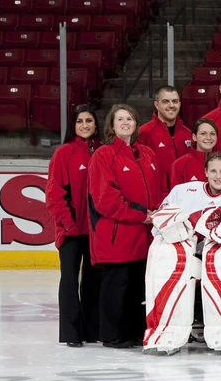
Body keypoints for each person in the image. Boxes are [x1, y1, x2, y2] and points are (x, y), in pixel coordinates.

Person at [144, 152, 221, 355]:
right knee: (168, 264)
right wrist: (178, 228)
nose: (218, 176)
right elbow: (162, 220)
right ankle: (166, 333)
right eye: (213, 171)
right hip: (192, 254)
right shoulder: (184, 192)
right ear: (205, 173)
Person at [88, 104, 167, 348]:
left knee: (137, 286)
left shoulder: (147, 153)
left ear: (136, 123)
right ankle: (113, 335)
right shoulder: (103, 155)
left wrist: (157, 212)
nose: (125, 123)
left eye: (129, 119)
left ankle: (134, 332)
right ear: (111, 126)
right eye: (120, 119)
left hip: (145, 234)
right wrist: (141, 215)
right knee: (117, 286)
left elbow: (159, 188)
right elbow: (106, 199)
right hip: (118, 234)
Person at [45, 105, 101, 347]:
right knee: (69, 280)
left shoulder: (102, 151)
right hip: (71, 231)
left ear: (96, 124)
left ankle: (91, 330)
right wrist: (67, 224)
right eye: (80, 121)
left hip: (96, 231)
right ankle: (71, 334)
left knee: (92, 281)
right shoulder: (63, 153)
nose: (85, 125)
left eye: (89, 120)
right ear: (73, 125)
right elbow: (54, 194)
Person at [138, 85, 191, 184]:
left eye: (175, 101)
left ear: (180, 104)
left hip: (184, 190)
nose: (171, 105)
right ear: (156, 105)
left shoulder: (188, 133)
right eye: (165, 101)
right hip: (158, 190)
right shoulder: (144, 133)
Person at [170, 117, 219, 187]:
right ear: (194, 137)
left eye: (212, 134)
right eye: (203, 133)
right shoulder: (179, 165)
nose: (209, 137)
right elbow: (175, 193)